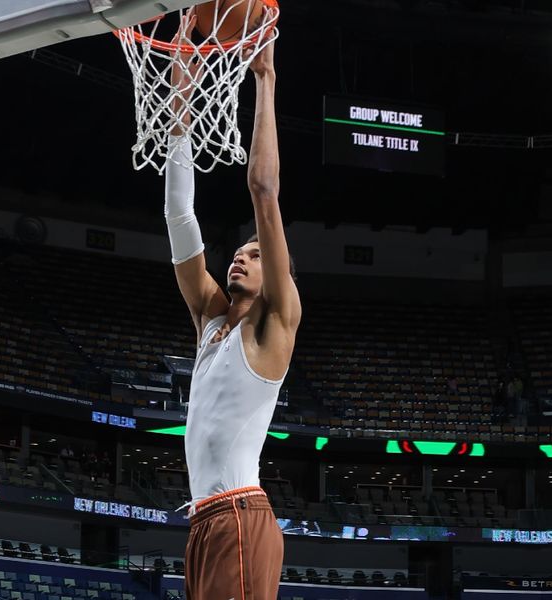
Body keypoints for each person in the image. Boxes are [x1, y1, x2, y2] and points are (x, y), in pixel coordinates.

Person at [163, 12, 300, 600]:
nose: (240, 258)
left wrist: (264, 80)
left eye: (254, 253)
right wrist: (180, 111)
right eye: (237, 252)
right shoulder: (211, 322)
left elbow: (263, 191)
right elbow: (179, 218)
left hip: (240, 515)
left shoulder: (275, 323)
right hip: (205, 521)